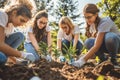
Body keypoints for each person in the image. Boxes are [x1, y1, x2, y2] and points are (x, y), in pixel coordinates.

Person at [0, 0, 36, 65]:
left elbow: (7, 48)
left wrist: (16, 61)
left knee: (20, 36)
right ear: (14, 12)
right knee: (2, 58)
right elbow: (1, 44)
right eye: (21, 20)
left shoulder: (10, 26)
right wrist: (23, 55)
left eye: (24, 22)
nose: (22, 24)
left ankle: (6, 58)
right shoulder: (2, 15)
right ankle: (5, 59)